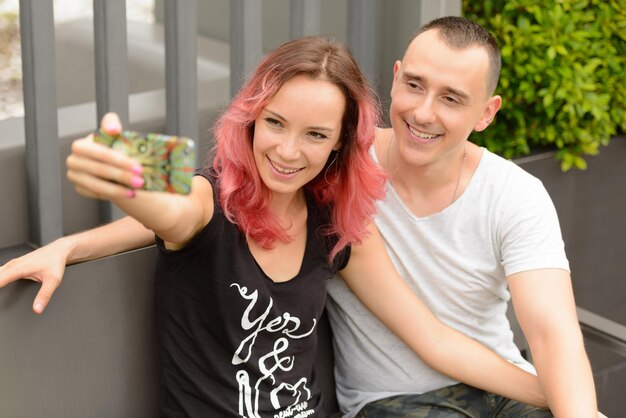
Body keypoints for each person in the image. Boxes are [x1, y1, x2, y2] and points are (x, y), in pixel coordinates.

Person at [0, 36, 548, 417]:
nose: (287, 151)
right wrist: (124, 174)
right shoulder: (209, 202)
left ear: (340, 143)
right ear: (251, 119)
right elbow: (168, 206)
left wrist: (557, 397)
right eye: (276, 124)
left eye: (314, 134)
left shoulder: (336, 227)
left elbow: (432, 337)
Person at [325, 16, 599, 418]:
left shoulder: (514, 194)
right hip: (395, 402)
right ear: (396, 77)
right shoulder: (342, 175)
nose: (423, 113)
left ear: (487, 113)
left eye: (451, 99)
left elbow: (551, 330)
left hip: (505, 389)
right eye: (415, 85)